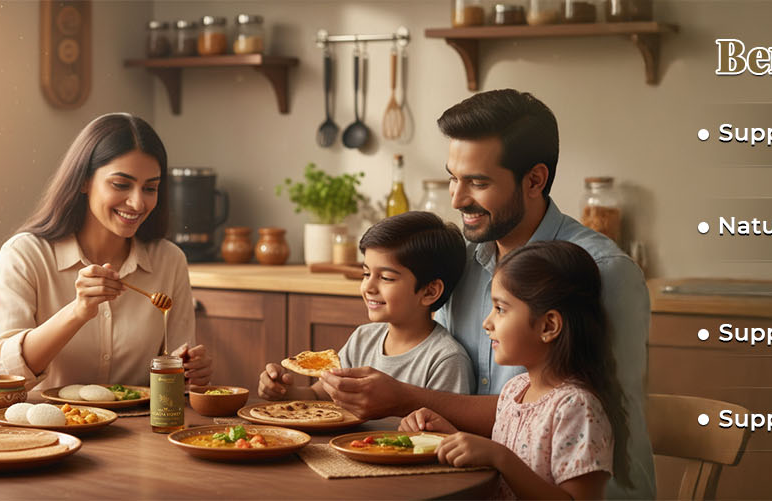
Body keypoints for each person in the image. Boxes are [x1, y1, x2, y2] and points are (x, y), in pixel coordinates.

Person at [320, 89, 655, 498]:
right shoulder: (457, 265)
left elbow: (578, 407)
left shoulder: (605, 272)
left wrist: (403, 397)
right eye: (453, 178)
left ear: (535, 180)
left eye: (477, 182)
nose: (458, 199)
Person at [0, 113, 213, 393]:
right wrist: (78, 312)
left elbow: (175, 379)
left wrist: (189, 373)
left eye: (150, 188)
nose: (138, 202)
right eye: (121, 184)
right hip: (47, 431)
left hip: (138, 431)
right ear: (84, 181)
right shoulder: (25, 254)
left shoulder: (169, 260)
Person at [402, 241, 629, 500]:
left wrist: (500, 457)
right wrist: (450, 438)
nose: (487, 323)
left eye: (500, 309)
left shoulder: (576, 408)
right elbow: (500, 472)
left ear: (548, 326)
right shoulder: (514, 390)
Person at [258, 211, 474, 399]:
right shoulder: (363, 339)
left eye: (386, 278)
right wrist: (284, 391)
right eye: (366, 273)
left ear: (429, 291)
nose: (368, 286)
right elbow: (318, 395)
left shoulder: (445, 360)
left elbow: (444, 436)